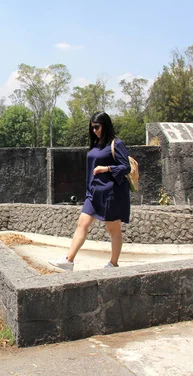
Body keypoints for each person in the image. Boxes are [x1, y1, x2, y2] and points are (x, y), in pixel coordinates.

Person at [49, 111, 131, 271]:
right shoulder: (96, 145)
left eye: (97, 127)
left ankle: (113, 264)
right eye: (92, 128)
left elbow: (126, 167)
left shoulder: (116, 144)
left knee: (113, 229)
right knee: (82, 224)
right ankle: (69, 260)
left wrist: (106, 168)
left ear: (105, 125)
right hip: (93, 193)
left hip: (110, 193)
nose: (94, 131)